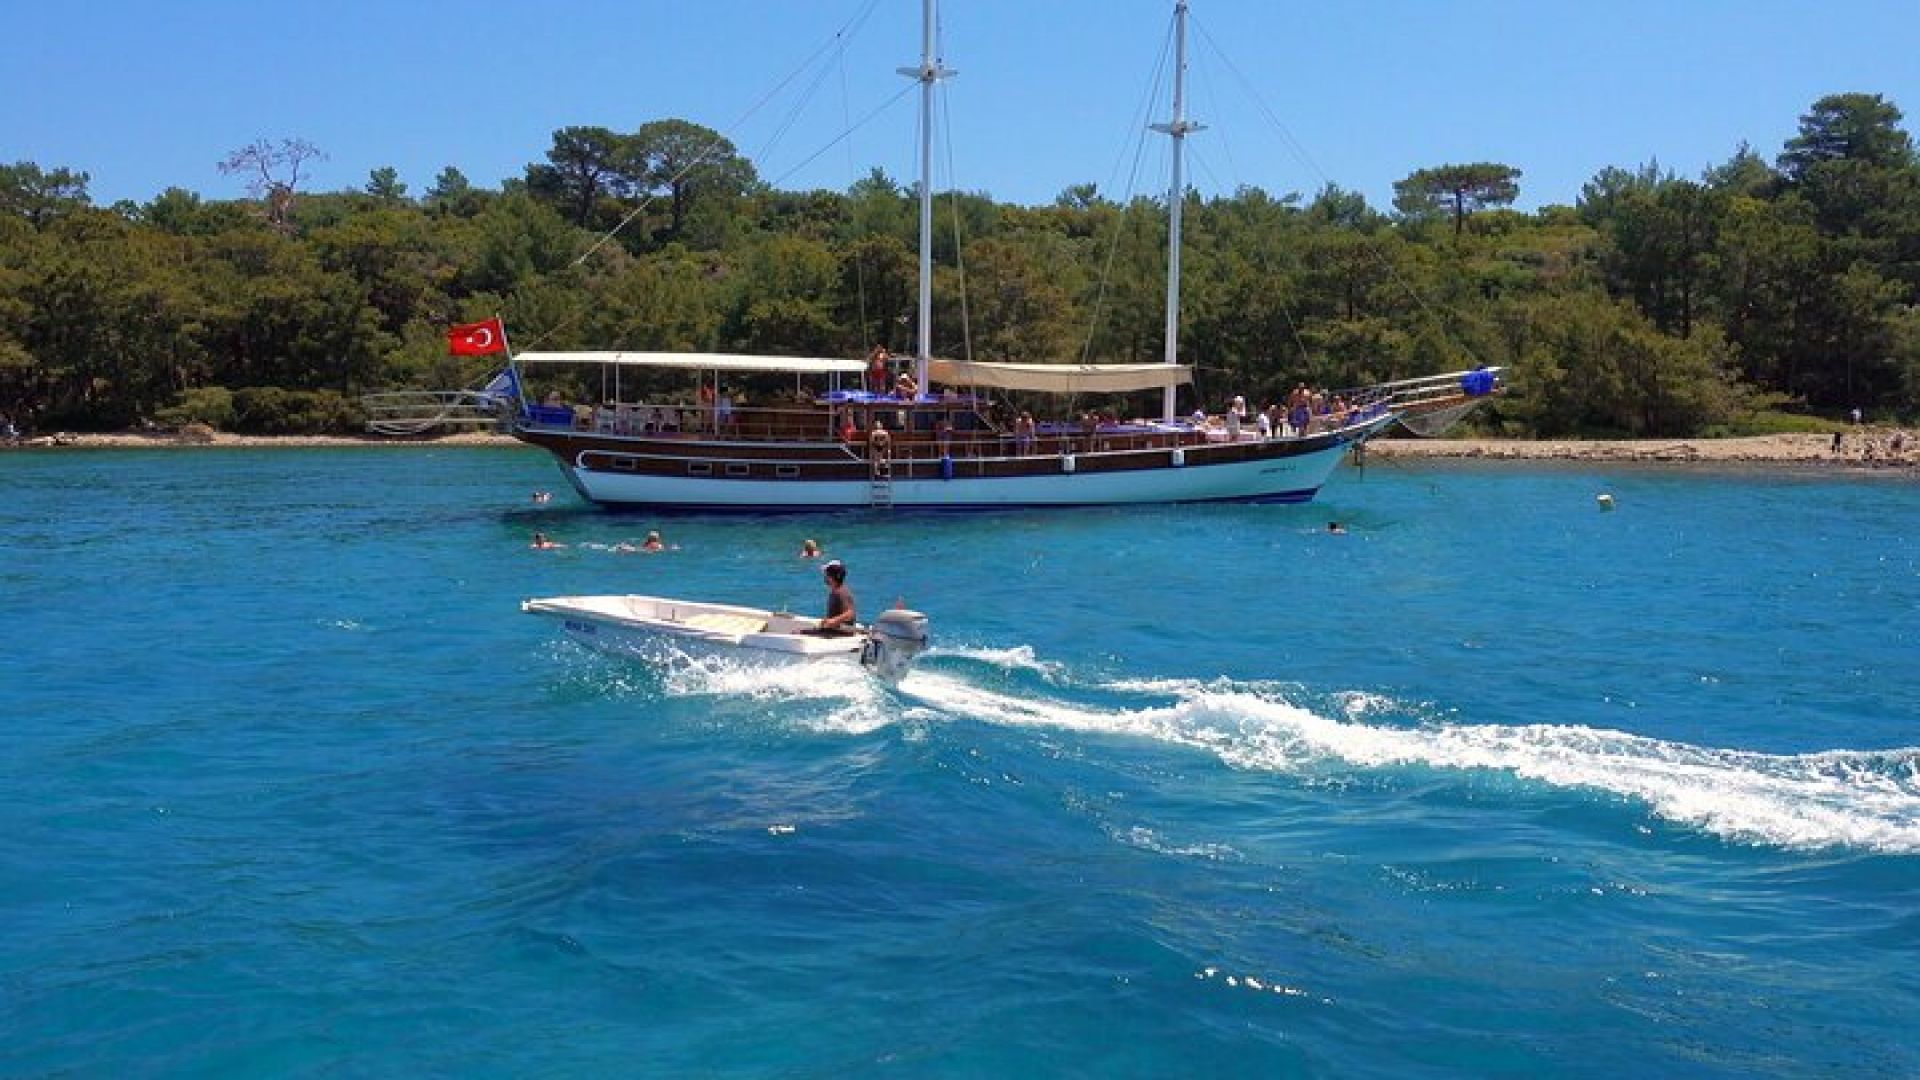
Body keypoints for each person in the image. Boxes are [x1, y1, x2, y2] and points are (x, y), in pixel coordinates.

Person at [813, 560, 857, 635]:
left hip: (841, 633)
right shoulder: (835, 591)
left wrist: (833, 621)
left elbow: (850, 613)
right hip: (834, 631)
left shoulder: (841, 592)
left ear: (832, 576)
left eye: (826, 574)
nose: (824, 576)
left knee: (798, 632)